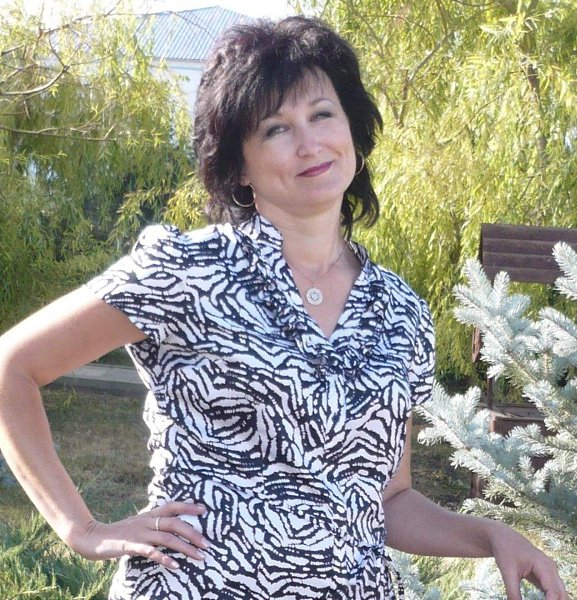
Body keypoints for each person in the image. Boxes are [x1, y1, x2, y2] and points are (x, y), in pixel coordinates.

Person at [0, 15, 568, 600]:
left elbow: (387, 499)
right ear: (239, 166)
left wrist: (491, 535)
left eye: (322, 114)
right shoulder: (187, 271)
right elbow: (11, 367)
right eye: (275, 128)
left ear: (352, 132)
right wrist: (82, 529)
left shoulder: (399, 312)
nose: (308, 143)